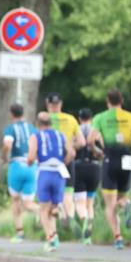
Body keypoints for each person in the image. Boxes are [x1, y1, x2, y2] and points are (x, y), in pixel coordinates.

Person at [87, 89, 131, 250]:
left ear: (108, 101)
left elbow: (89, 141)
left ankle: (118, 238)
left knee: (110, 204)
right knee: (122, 197)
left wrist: (97, 152)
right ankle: (127, 204)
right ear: (121, 101)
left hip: (110, 160)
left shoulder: (100, 118)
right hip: (127, 159)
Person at [27, 111, 75, 252]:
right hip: (59, 172)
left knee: (43, 209)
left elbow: (30, 156)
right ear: (51, 124)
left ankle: (50, 239)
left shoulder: (36, 136)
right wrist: (63, 162)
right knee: (52, 209)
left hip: (45, 172)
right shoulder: (61, 135)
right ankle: (56, 223)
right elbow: (72, 153)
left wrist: (31, 161)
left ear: (38, 124)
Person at [45, 93, 85, 229]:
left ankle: (52, 231)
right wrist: (70, 147)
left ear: (48, 104)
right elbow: (82, 142)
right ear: (61, 104)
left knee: (49, 197)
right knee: (68, 193)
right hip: (67, 158)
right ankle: (71, 221)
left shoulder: (45, 118)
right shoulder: (70, 119)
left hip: (48, 161)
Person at [1, 103, 39, 243]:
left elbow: (7, 145)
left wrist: (4, 157)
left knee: (16, 200)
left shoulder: (11, 129)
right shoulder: (32, 128)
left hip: (17, 165)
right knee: (29, 203)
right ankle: (43, 212)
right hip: (32, 165)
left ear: (11, 114)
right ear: (23, 113)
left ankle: (20, 233)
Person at [72, 108, 101, 245]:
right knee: (90, 203)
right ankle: (88, 235)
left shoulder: (75, 129)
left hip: (78, 167)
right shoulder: (96, 130)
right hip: (95, 167)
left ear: (79, 118)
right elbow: (102, 148)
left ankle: (84, 224)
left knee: (79, 203)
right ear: (92, 118)